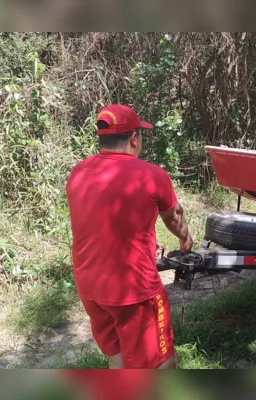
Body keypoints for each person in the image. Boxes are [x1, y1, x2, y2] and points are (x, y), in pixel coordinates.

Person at [66, 104, 194, 369]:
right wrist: (185, 238)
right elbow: (174, 217)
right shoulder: (151, 176)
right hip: (133, 290)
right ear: (134, 139)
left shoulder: (78, 172)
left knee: (119, 358)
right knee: (163, 362)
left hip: (90, 286)